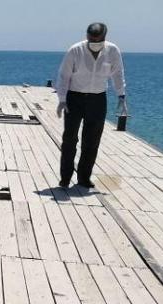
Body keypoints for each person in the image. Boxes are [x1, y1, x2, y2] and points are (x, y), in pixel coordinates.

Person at [56, 22, 126, 188]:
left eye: (98, 40)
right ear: (87, 36)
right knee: (70, 139)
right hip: (75, 98)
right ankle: (65, 177)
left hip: (98, 99)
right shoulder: (75, 50)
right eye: (91, 40)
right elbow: (64, 76)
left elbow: (118, 74)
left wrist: (122, 96)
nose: (94, 43)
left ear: (104, 37)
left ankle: (84, 177)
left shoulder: (112, 51)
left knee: (92, 141)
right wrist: (62, 99)